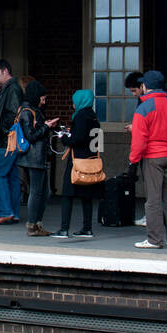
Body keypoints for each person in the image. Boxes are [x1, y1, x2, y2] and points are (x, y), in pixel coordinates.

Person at [128, 70, 167, 249]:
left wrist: (133, 162)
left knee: (153, 200)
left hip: (153, 157)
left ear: (145, 86)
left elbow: (139, 140)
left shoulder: (143, 108)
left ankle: (154, 239)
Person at [51, 90, 102, 238]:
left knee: (67, 194)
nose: (73, 104)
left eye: (74, 101)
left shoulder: (80, 116)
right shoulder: (94, 117)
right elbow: (98, 142)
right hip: (91, 161)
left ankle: (64, 229)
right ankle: (87, 228)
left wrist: (65, 137)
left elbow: (76, 139)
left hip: (77, 162)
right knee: (87, 196)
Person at [0, 59, 26, 225]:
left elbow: (12, 115)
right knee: (11, 176)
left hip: (6, 141)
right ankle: (12, 213)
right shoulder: (11, 88)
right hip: (9, 139)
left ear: (5, 72)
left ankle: (6, 212)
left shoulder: (12, 89)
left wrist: (3, 131)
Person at [16, 79, 58, 236]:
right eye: (42, 98)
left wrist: (45, 125)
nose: (44, 102)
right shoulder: (28, 112)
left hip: (32, 157)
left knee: (43, 191)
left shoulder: (28, 110)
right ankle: (33, 224)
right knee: (36, 191)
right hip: (34, 157)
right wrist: (47, 126)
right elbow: (31, 135)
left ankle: (37, 223)